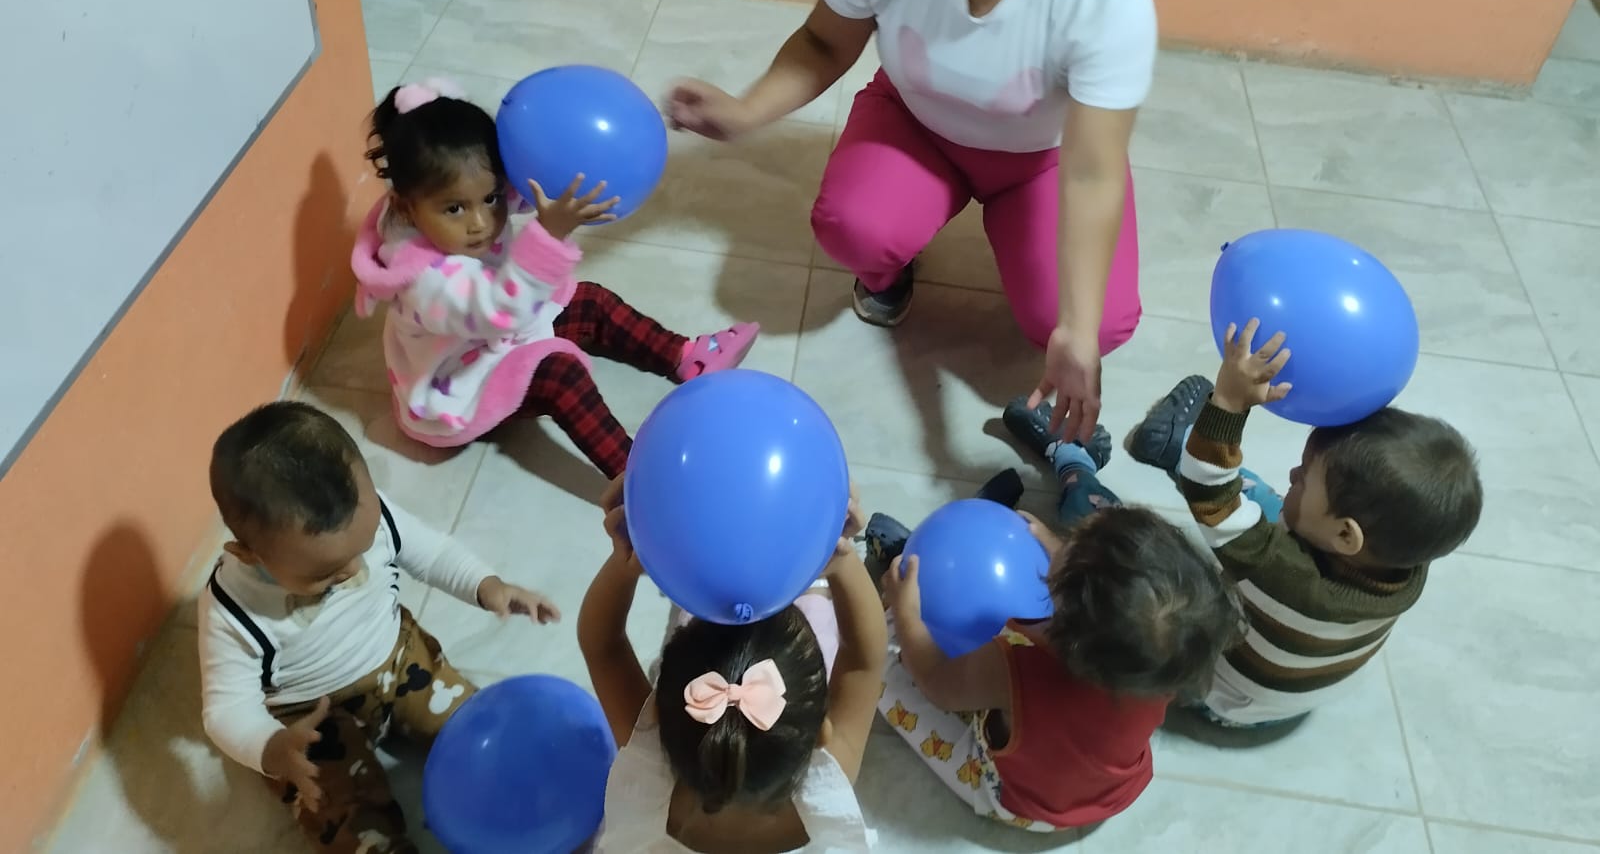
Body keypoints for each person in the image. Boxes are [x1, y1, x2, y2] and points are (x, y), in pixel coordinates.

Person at [667, 0, 1158, 443]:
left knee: (1096, 322)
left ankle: (1052, 299)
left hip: (1043, 159)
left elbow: (1093, 171)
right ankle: (890, 269)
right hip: (917, 123)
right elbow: (824, 42)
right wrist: (746, 112)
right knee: (854, 225)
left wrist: (1075, 328)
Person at [197, 400, 560, 854]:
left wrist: (486, 586)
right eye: (326, 574)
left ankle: (518, 784)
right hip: (311, 718)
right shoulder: (231, 610)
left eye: (364, 546)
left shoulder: (369, 515)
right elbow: (226, 709)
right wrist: (270, 747)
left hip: (401, 660)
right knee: (341, 811)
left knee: (478, 728)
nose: (356, 570)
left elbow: (432, 552)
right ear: (250, 555)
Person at [351, 79, 759, 478]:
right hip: (459, 390)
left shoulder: (456, 205)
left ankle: (687, 356)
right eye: (454, 209)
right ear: (405, 207)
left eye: (490, 198)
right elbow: (498, 312)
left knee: (590, 299)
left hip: (495, 338)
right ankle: (636, 478)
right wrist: (547, 236)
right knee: (560, 373)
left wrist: (554, 168)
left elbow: (517, 191)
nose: (480, 222)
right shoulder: (424, 282)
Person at [1098, 318, 1484, 729]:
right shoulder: (1406, 557)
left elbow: (1205, 492)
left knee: (1156, 552)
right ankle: (1191, 449)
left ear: (1345, 534)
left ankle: (1079, 471)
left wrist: (1228, 404)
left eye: (1304, 479)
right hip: (1289, 695)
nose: (1292, 475)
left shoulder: (1280, 572)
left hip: (1224, 696)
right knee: (1268, 505)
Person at [867, 499, 1241, 832]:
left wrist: (905, 611)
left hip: (1024, 803)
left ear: (1067, 607)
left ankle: (891, 598)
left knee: (883, 657)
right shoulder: (1159, 663)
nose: (1067, 536)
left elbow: (938, 684)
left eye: (1074, 538)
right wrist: (1066, 557)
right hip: (1110, 794)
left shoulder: (1016, 662)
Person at [579, 477, 885, 852]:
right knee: (817, 610)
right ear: (823, 733)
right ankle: (811, 589)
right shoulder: (826, 801)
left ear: (653, 716)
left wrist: (624, 563)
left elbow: (602, 646)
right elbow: (864, 660)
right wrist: (843, 560)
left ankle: (710, 594)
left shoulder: (647, 785)